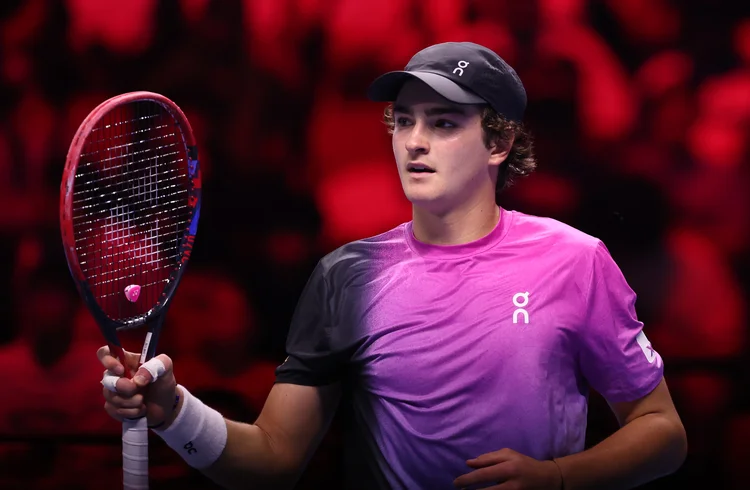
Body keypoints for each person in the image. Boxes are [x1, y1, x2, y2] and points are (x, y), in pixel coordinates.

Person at [98, 42, 687, 489]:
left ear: (499, 143)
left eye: (444, 123)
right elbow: (275, 457)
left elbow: (663, 431)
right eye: (404, 120)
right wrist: (175, 413)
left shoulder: (574, 260)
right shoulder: (346, 275)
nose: (414, 141)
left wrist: (559, 478)